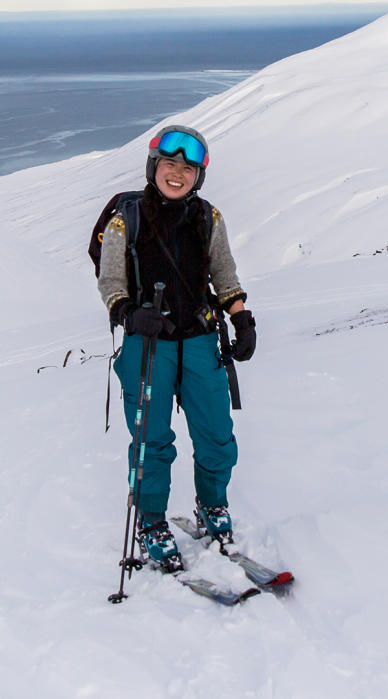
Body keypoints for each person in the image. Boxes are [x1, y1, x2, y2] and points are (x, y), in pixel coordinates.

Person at [97, 125, 256, 572]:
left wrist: (240, 317)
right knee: (151, 441)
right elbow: (110, 283)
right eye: (170, 164)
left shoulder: (208, 218)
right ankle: (151, 524)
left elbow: (224, 277)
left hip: (201, 340)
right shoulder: (124, 220)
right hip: (147, 346)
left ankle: (212, 506)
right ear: (154, 167)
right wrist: (129, 313)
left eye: (188, 168)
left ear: (197, 176)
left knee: (216, 435)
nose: (177, 173)